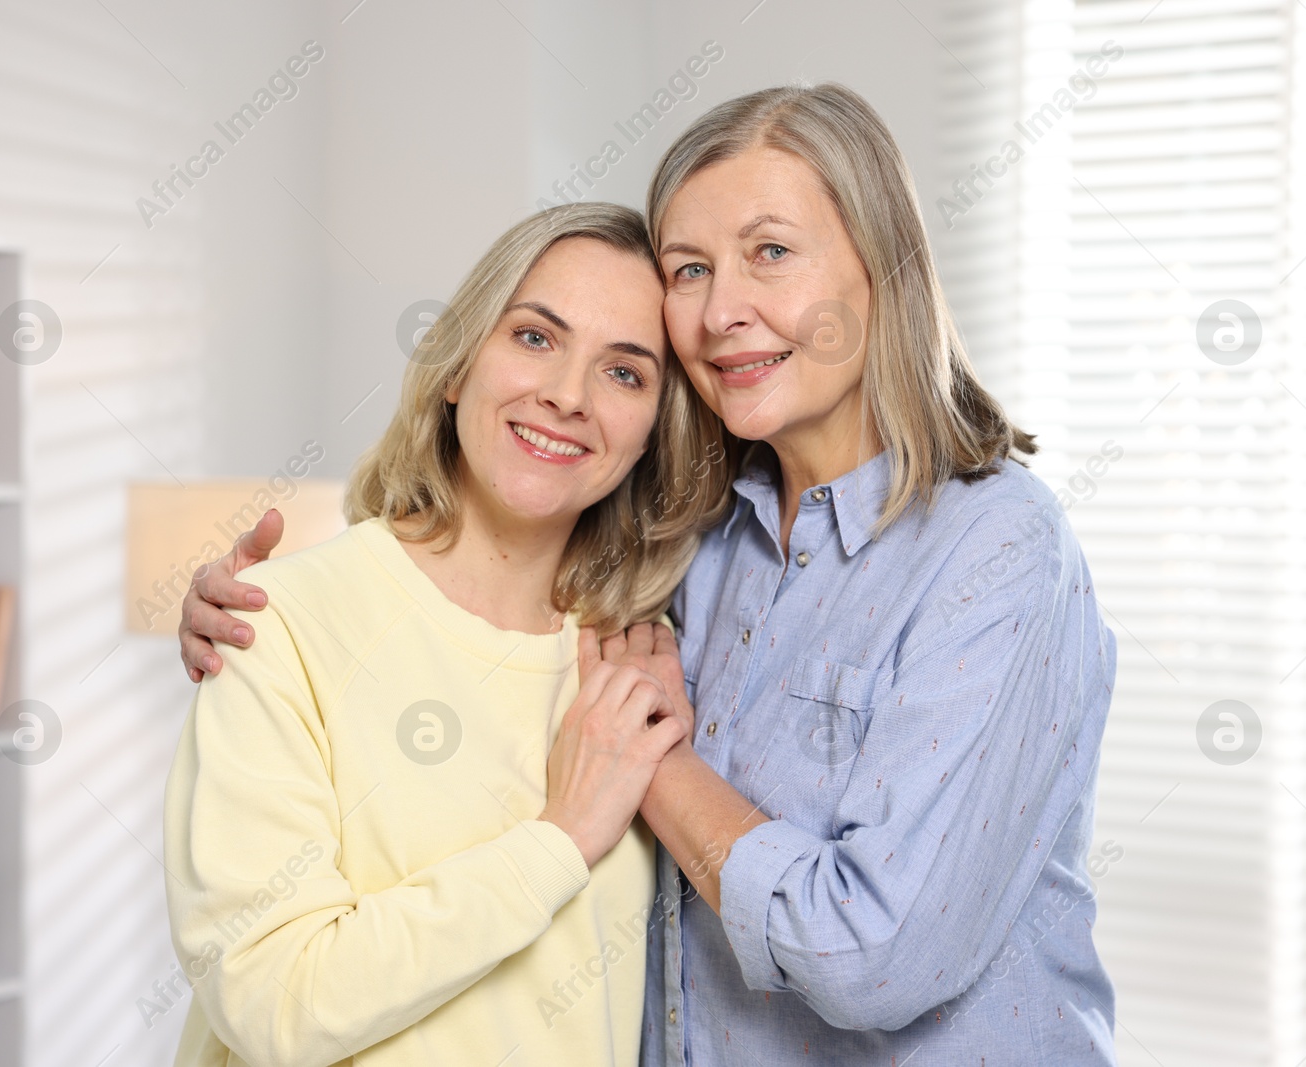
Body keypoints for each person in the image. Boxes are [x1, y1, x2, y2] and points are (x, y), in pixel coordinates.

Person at [181, 84, 1119, 1065]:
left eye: (770, 252)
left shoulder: (996, 547)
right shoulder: (692, 546)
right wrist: (256, 625)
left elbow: (871, 954)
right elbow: (439, 598)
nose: (722, 311)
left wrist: (651, 765)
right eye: (690, 268)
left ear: (882, 264)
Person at [162, 201, 730, 1066]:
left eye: (625, 373)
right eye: (535, 337)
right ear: (458, 364)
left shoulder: (642, 657)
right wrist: (558, 838)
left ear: (656, 431)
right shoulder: (277, 624)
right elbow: (275, 999)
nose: (567, 396)